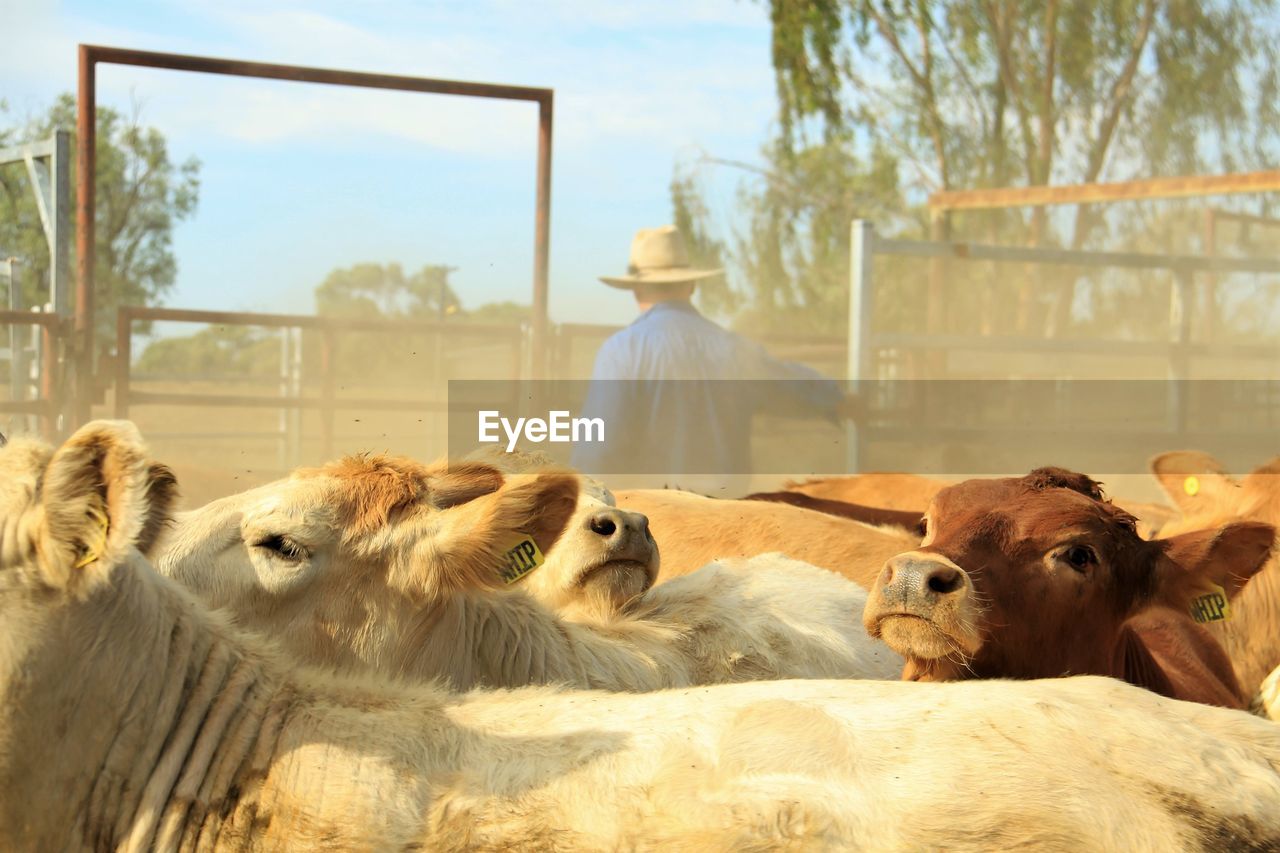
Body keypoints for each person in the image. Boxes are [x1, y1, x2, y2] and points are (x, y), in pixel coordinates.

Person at [570, 225, 857, 492]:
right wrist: (839, 399)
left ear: (635, 289)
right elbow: (789, 385)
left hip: (654, 521)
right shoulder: (734, 349)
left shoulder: (622, 351)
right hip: (726, 521)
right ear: (692, 286)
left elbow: (597, 452)